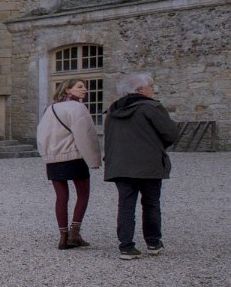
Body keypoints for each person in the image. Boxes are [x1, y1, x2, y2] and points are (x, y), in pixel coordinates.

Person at [103, 72, 178, 260]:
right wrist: (156, 147)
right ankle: (153, 242)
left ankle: (126, 246)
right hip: (148, 164)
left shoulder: (113, 111)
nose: (152, 89)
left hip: (120, 165)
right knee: (151, 203)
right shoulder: (152, 108)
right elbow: (171, 134)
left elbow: (109, 139)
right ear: (140, 90)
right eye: (150, 86)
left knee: (126, 205)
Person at [35, 79, 102, 249]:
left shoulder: (49, 109)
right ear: (68, 90)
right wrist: (94, 159)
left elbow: (41, 134)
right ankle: (75, 232)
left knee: (61, 197)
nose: (84, 89)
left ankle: (63, 237)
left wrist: (46, 154)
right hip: (74, 157)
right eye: (79, 87)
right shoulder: (77, 108)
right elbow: (86, 135)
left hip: (54, 159)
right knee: (83, 194)